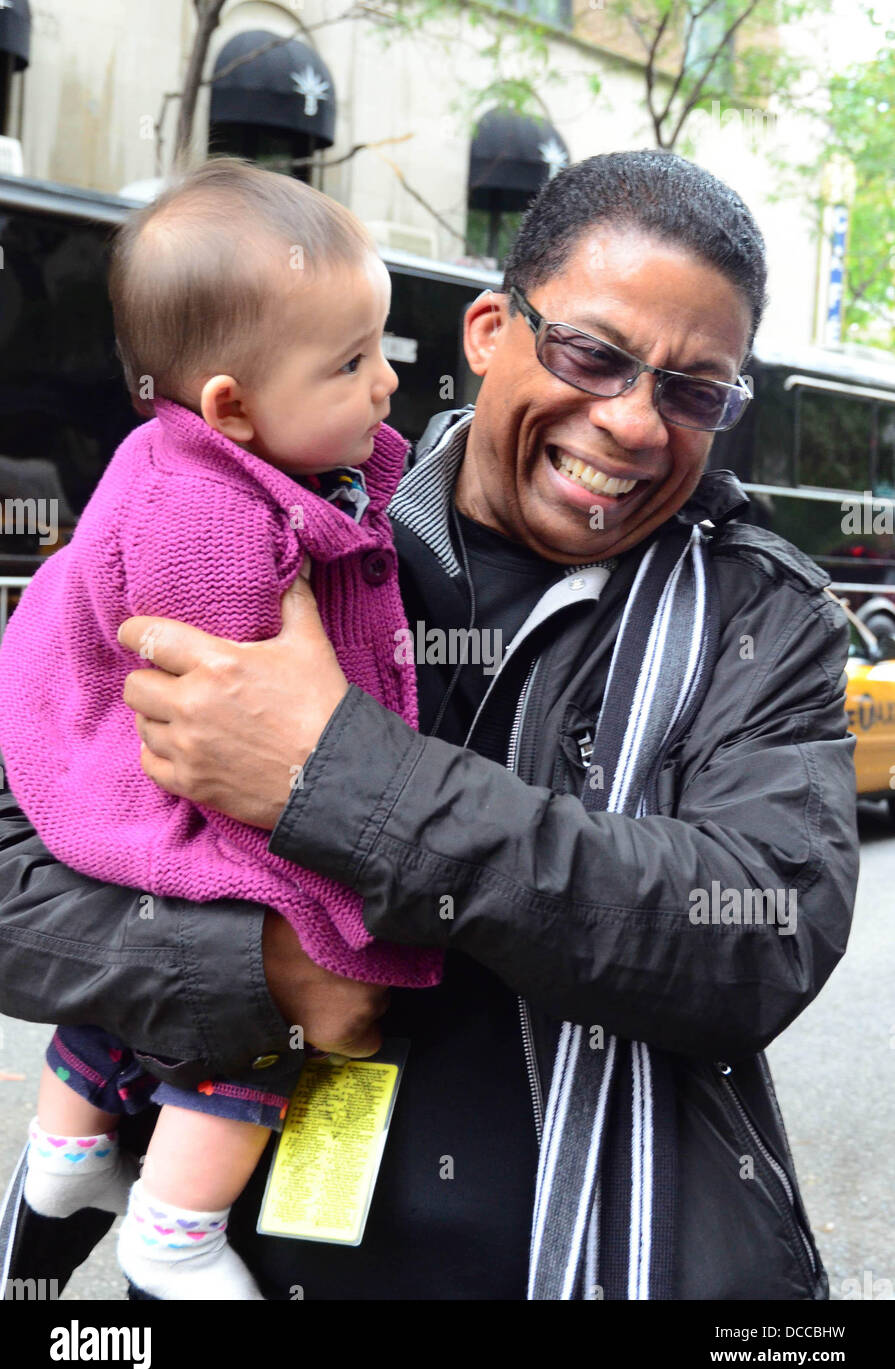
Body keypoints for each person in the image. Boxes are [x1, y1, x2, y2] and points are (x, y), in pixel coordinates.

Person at [0, 150, 859, 1300]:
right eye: (591, 355)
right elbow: (26, 845)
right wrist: (264, 972)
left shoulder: (765, 614)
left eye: (694, 391)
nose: (634, 424)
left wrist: (338, 775)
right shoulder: (260, 528)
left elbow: (760, 934)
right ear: (491, 330)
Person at [0, 156, 443, 1300]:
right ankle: (174, 1227)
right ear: (232, 406)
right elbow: (249, 745)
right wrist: (333, 904)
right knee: (262, 1003)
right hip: (183, 812)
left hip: (121, 793)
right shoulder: (209, 522)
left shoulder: (201, 467)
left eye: (380, 346)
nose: (386, 384)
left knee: (141, 1004)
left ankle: (63, 1160)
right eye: (348, 363)